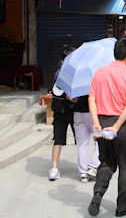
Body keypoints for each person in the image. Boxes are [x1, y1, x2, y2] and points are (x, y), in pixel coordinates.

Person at [87, 38, 126, 217]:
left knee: (106, 162)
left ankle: (98, 194)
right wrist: (117, 127)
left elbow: (91, 99)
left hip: (101, 122)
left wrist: (96, 122)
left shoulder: (99, 73)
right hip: (122, 125)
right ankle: (122, 206)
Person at [49, 47, 76, 181]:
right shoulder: (69, 74)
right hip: (70, 110)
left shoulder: (57, 72)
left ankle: (54, 168)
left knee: (58, 140)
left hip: (58, 112)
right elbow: (70, 97)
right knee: (81, 140)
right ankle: (85, 168)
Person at [73, 95, 100, 182]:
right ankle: (93, 167)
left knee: (81, 144)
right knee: (99, 141)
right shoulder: (94, 81)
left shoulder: (76, 82)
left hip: (78, 113)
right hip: (94, 114)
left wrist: (78, 100)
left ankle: (83, 172)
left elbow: (69, 97)